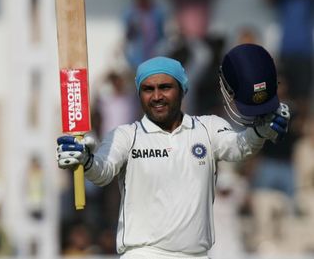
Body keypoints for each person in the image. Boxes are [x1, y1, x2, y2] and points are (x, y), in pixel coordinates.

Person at [56, 45, 290, 258]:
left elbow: (239, 146)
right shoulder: (126, 135)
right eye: (148, 89)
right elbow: (102, 170)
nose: (156, 96)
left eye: (165, 87)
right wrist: (85, 160)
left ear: (182, 89)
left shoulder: (208, 128)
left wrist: (262, 131)